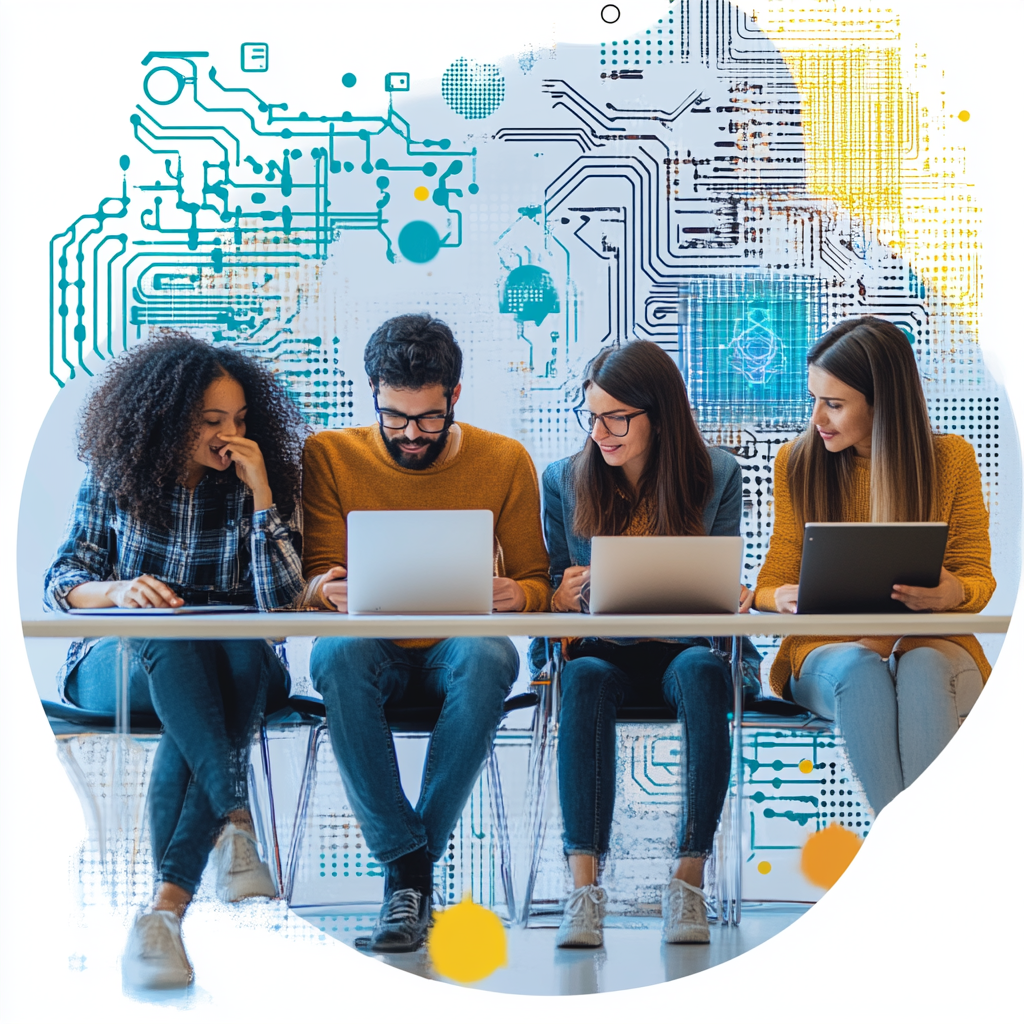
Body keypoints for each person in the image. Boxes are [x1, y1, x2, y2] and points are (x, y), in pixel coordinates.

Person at [43, 333, 306, 989]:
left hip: (233, 666)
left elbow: (280, 608)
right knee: (168, 634)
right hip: (122, 660)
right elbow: (63, 579)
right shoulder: (116, 475)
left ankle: (163, 917)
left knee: (226, 673)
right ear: (168, 419)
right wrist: (119, 592)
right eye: (212, 421)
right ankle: (236, 821)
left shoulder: (256, 484)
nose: (230, 435)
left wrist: (264, 498)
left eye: (241, 421)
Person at [301, 313, 551, 953]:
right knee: (337, 650)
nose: (411, 435)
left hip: (457, 648)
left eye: (428, 418)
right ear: (373, 394)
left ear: (455, 398)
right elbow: (309, 581)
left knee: (489, 652)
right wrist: (325, 590)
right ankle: (413, 871)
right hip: (368, 649)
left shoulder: (505, 460)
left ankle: (404, 873)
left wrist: (518, 595)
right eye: (394, 416)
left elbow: (537, 583)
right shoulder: (329, 454)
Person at [541, 340, 759, 949]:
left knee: (702, 673)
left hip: (681, 648)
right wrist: (560, 596)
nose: (602, 432)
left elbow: (719, 575)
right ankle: (584, 891)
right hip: (601, 650)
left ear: (658, 413)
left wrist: (731, 591)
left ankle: (687, 881)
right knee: (580, 678)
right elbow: (554, 583)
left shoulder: (714, 474)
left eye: (618, 418)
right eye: (592, 417)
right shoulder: (563, 479)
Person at [754, 316, 995, 815]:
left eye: (835, 404)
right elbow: (771, 582)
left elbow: (977, 577)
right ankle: (914, 857)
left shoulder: (950, 459)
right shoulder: (796, 463)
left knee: (923, 665)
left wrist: (954, 592)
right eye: (815, 399)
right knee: (862, 670)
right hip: (831, 656)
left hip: (933, 647)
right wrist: (778, 596)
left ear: (882, 402)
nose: (818, 417)